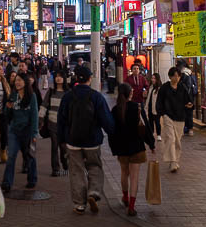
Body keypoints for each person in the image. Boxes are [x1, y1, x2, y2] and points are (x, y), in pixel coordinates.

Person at [56, 66, 115, 215]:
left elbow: (61, 120)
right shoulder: (96, 97)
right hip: (92, 141)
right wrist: (113, 133)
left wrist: (61, 140)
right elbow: (106, 120)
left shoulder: (68, 97)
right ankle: (93, 192)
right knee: (95, 167)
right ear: (90, 79)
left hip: (72, 141)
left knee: (76, 171)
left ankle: (79, 204)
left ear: (76, 78)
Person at [109, 83, 155, 216]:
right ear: (130, 93)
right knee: (134, 177)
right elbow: (146, 128)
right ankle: (131, 206)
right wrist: (151, 144)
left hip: (122, 148)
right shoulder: (137, 108)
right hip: (136, 147)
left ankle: (125, 197)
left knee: (124, 173)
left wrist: (113, 147)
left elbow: (112, 131)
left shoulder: (115, 110)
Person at [2, 72, 39, 192]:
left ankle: (32, 179)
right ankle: (7, 182)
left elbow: (34, 115)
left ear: (25, 82)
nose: (17, 82)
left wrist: (34, 133)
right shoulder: (13, 95)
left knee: (30, 156)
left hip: (27, 132)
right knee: (11, 156)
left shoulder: (32, 96)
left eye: (20, 80)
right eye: (16, 80)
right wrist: (7, 107)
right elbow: (7, 114)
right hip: (14, 131)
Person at [157, 67, 193, 173]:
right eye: (174, 76)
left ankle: (175, 160)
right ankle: (172, 161)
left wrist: (189, 105)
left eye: (178, 76)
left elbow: (188, 100)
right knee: (171, 138)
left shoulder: (182, 87)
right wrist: (162, 113)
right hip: (168, 116)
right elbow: (159, 101)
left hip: (180, 116)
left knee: (177, 141)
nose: (176, 78)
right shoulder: (164, 88)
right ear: (170, 76)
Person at [40, 70, 69, 176]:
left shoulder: (68, 93)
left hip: (64, 125)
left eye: (60, 76)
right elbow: (44, 105)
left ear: (64, 78)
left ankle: (65, 163)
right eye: (56, 76)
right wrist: (40, 118)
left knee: (63, 147)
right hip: (52, 123)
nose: (58, 78)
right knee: (54, 146)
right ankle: (55, 169)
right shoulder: (51, 92)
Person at [177, 59, 197, 134]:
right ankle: (189, 129)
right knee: (189, 113)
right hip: (190, 97)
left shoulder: (184, 74)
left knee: (186, 113)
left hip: (186, 97)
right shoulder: (190, 73)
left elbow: (185, 87)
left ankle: (187, 128)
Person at [145, 72, 163, 142]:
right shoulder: (151, 87)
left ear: (157, 79)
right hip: (150, 106)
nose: (152, 80)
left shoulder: (160, 88)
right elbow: (148, 97)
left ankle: (159, 135)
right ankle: (151, 133)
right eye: (152, 78)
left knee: (157, 122)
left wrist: (160, 107)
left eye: (154, 78)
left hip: (156, 108)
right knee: (150, 121)